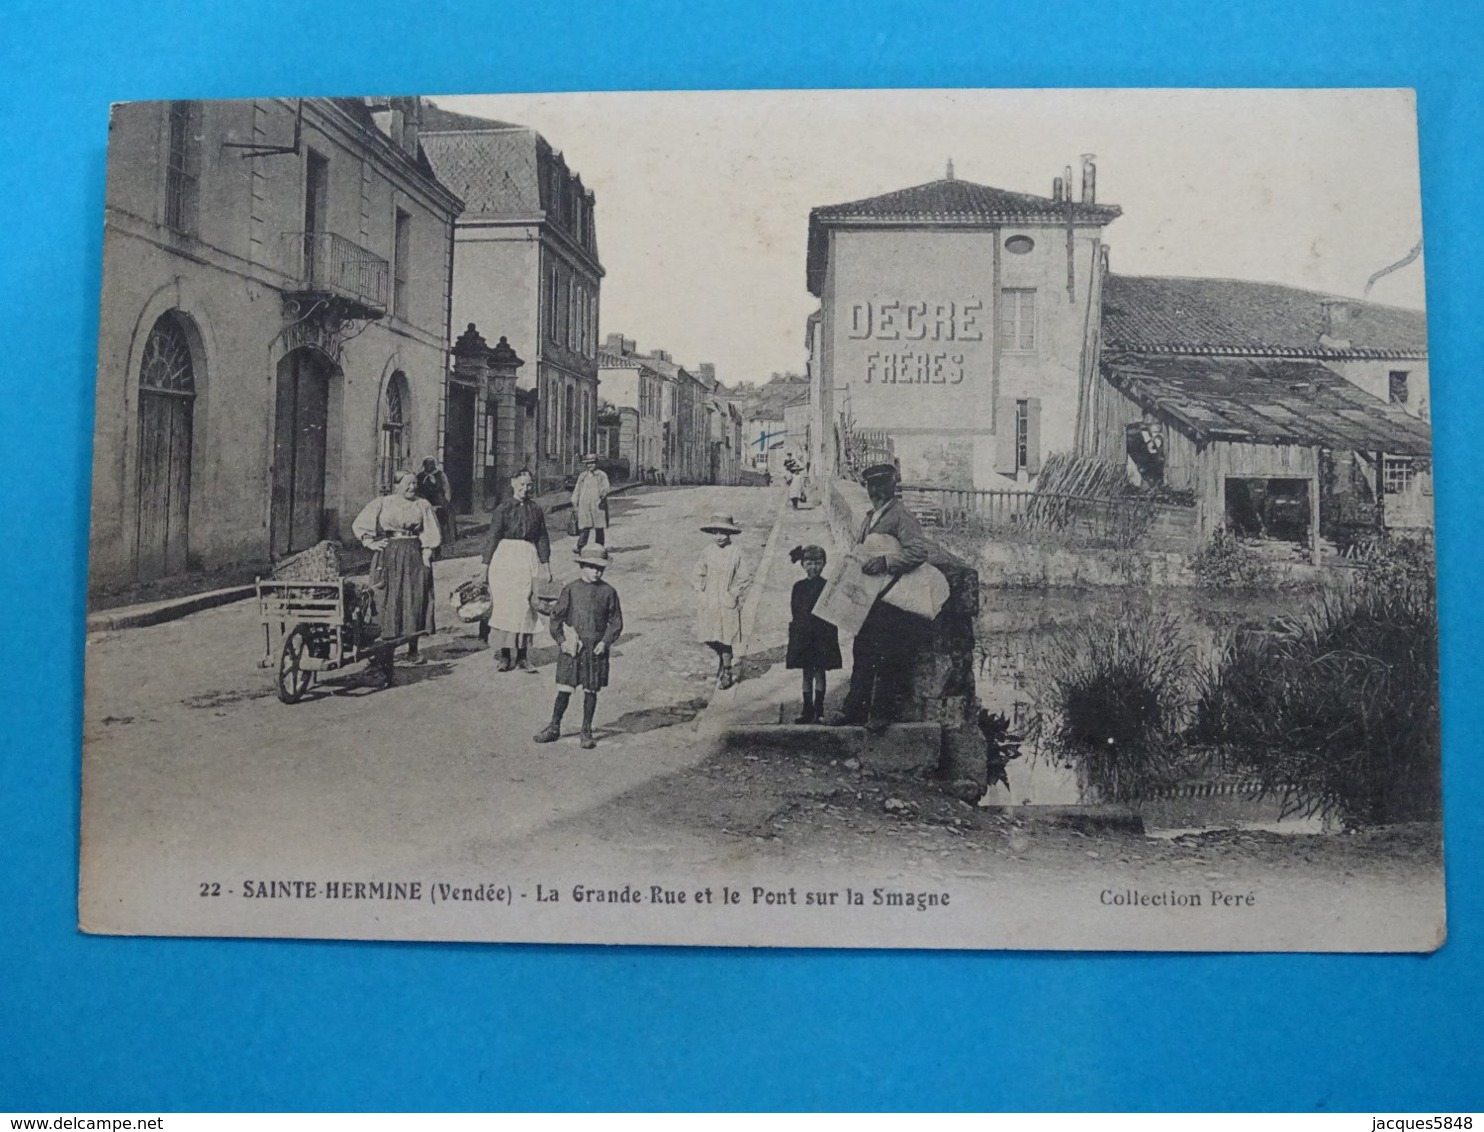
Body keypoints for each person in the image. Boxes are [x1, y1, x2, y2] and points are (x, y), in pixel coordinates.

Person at [839, 462, 932, 731]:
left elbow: (918, 552)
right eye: (872, 485)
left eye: (882, 484)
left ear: (894, 485)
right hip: (871, 597)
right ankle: (854, 709)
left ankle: (882, 714)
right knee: (862, 653)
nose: (876, 490)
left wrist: (886, 562)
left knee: (889, 657)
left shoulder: (902, 515)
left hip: (893, 599)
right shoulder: (871, 516)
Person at [534, 545, 623, 750]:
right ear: (582, 566)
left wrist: (605, 642)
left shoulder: (608, 592)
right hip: (573, 648)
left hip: (595, 650)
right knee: (564, 689)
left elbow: (616, 622)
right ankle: (554, 727)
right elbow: (556, 617)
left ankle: (586, 730)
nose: (596, 572)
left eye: (600, 568)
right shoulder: (571, 589)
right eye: (591, 567)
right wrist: (562, 641)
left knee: (590, 691)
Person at [351, 470, 441, 668]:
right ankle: (384, 650)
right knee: (384, 598)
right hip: (388, 554)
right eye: (408, 484)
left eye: (415, 483)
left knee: (414, 598)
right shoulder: (383, 502)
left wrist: (427, 553)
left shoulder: (422, 504)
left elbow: (430, 531)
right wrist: (370, 542)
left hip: (413, 554)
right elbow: (361, 524)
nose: (413, 487)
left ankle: (413, 649)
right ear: (396, 486)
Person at [479, 468, 552, 672]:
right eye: (521, 485)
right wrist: (485, 567)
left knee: (525, 607)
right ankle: (504, 656)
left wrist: (546, 566)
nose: (525, 489)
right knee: (505, 607)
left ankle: (522, 657)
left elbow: (542, 538)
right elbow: (492, 537)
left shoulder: (536, 510)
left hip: (527, 558)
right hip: (505, 560)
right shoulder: (503, 509)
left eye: (529, 485)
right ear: (513, 483)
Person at [786, 544, 841, 723]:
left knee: (820, 672)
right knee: (806, 672)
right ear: (802, 565)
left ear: (824, 564)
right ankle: (806, 710)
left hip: (822, 635)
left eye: (817, 563)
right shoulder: (798, 587)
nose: (813, 567)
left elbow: (832, 610)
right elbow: (795, 611)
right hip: (804, 635)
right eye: (809, 563)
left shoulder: (828, 586)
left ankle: (820, 710)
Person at [693, 514, 749, 690]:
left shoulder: (736, 553)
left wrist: (732, 593)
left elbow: (745, 577)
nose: (719, 537)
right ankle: (723, 658)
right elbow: (699, 571)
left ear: (729, 534)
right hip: (710, 599)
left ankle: (727, 671)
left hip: (726, 600)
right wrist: (700, 589)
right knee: (709, 635)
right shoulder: (707, 551)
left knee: (726, 636)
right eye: (715, 533)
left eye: (723, 533)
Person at [415, 456, 458, 547]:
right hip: (425, 499)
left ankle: (444, 539)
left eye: (431, 464)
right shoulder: (420, 476)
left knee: (443, 518)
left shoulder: (440, 475)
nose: (429, 466)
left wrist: (446, 501)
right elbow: (417, 489)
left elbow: (446, 488)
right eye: (427, 464)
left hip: (439, 499)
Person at [571, 453, 611, 552]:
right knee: (585, 526)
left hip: (597, 504)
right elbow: (578, 489)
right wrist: (574, 501)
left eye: (593, 463)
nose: (590, 465)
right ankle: (581, 546)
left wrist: (602, 495)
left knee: (599, 526)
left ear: (596, 463)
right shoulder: (583, 476)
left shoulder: (601, 475)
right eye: (588, 463)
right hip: (584, 504)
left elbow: (606, 487)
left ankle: (599, 546)